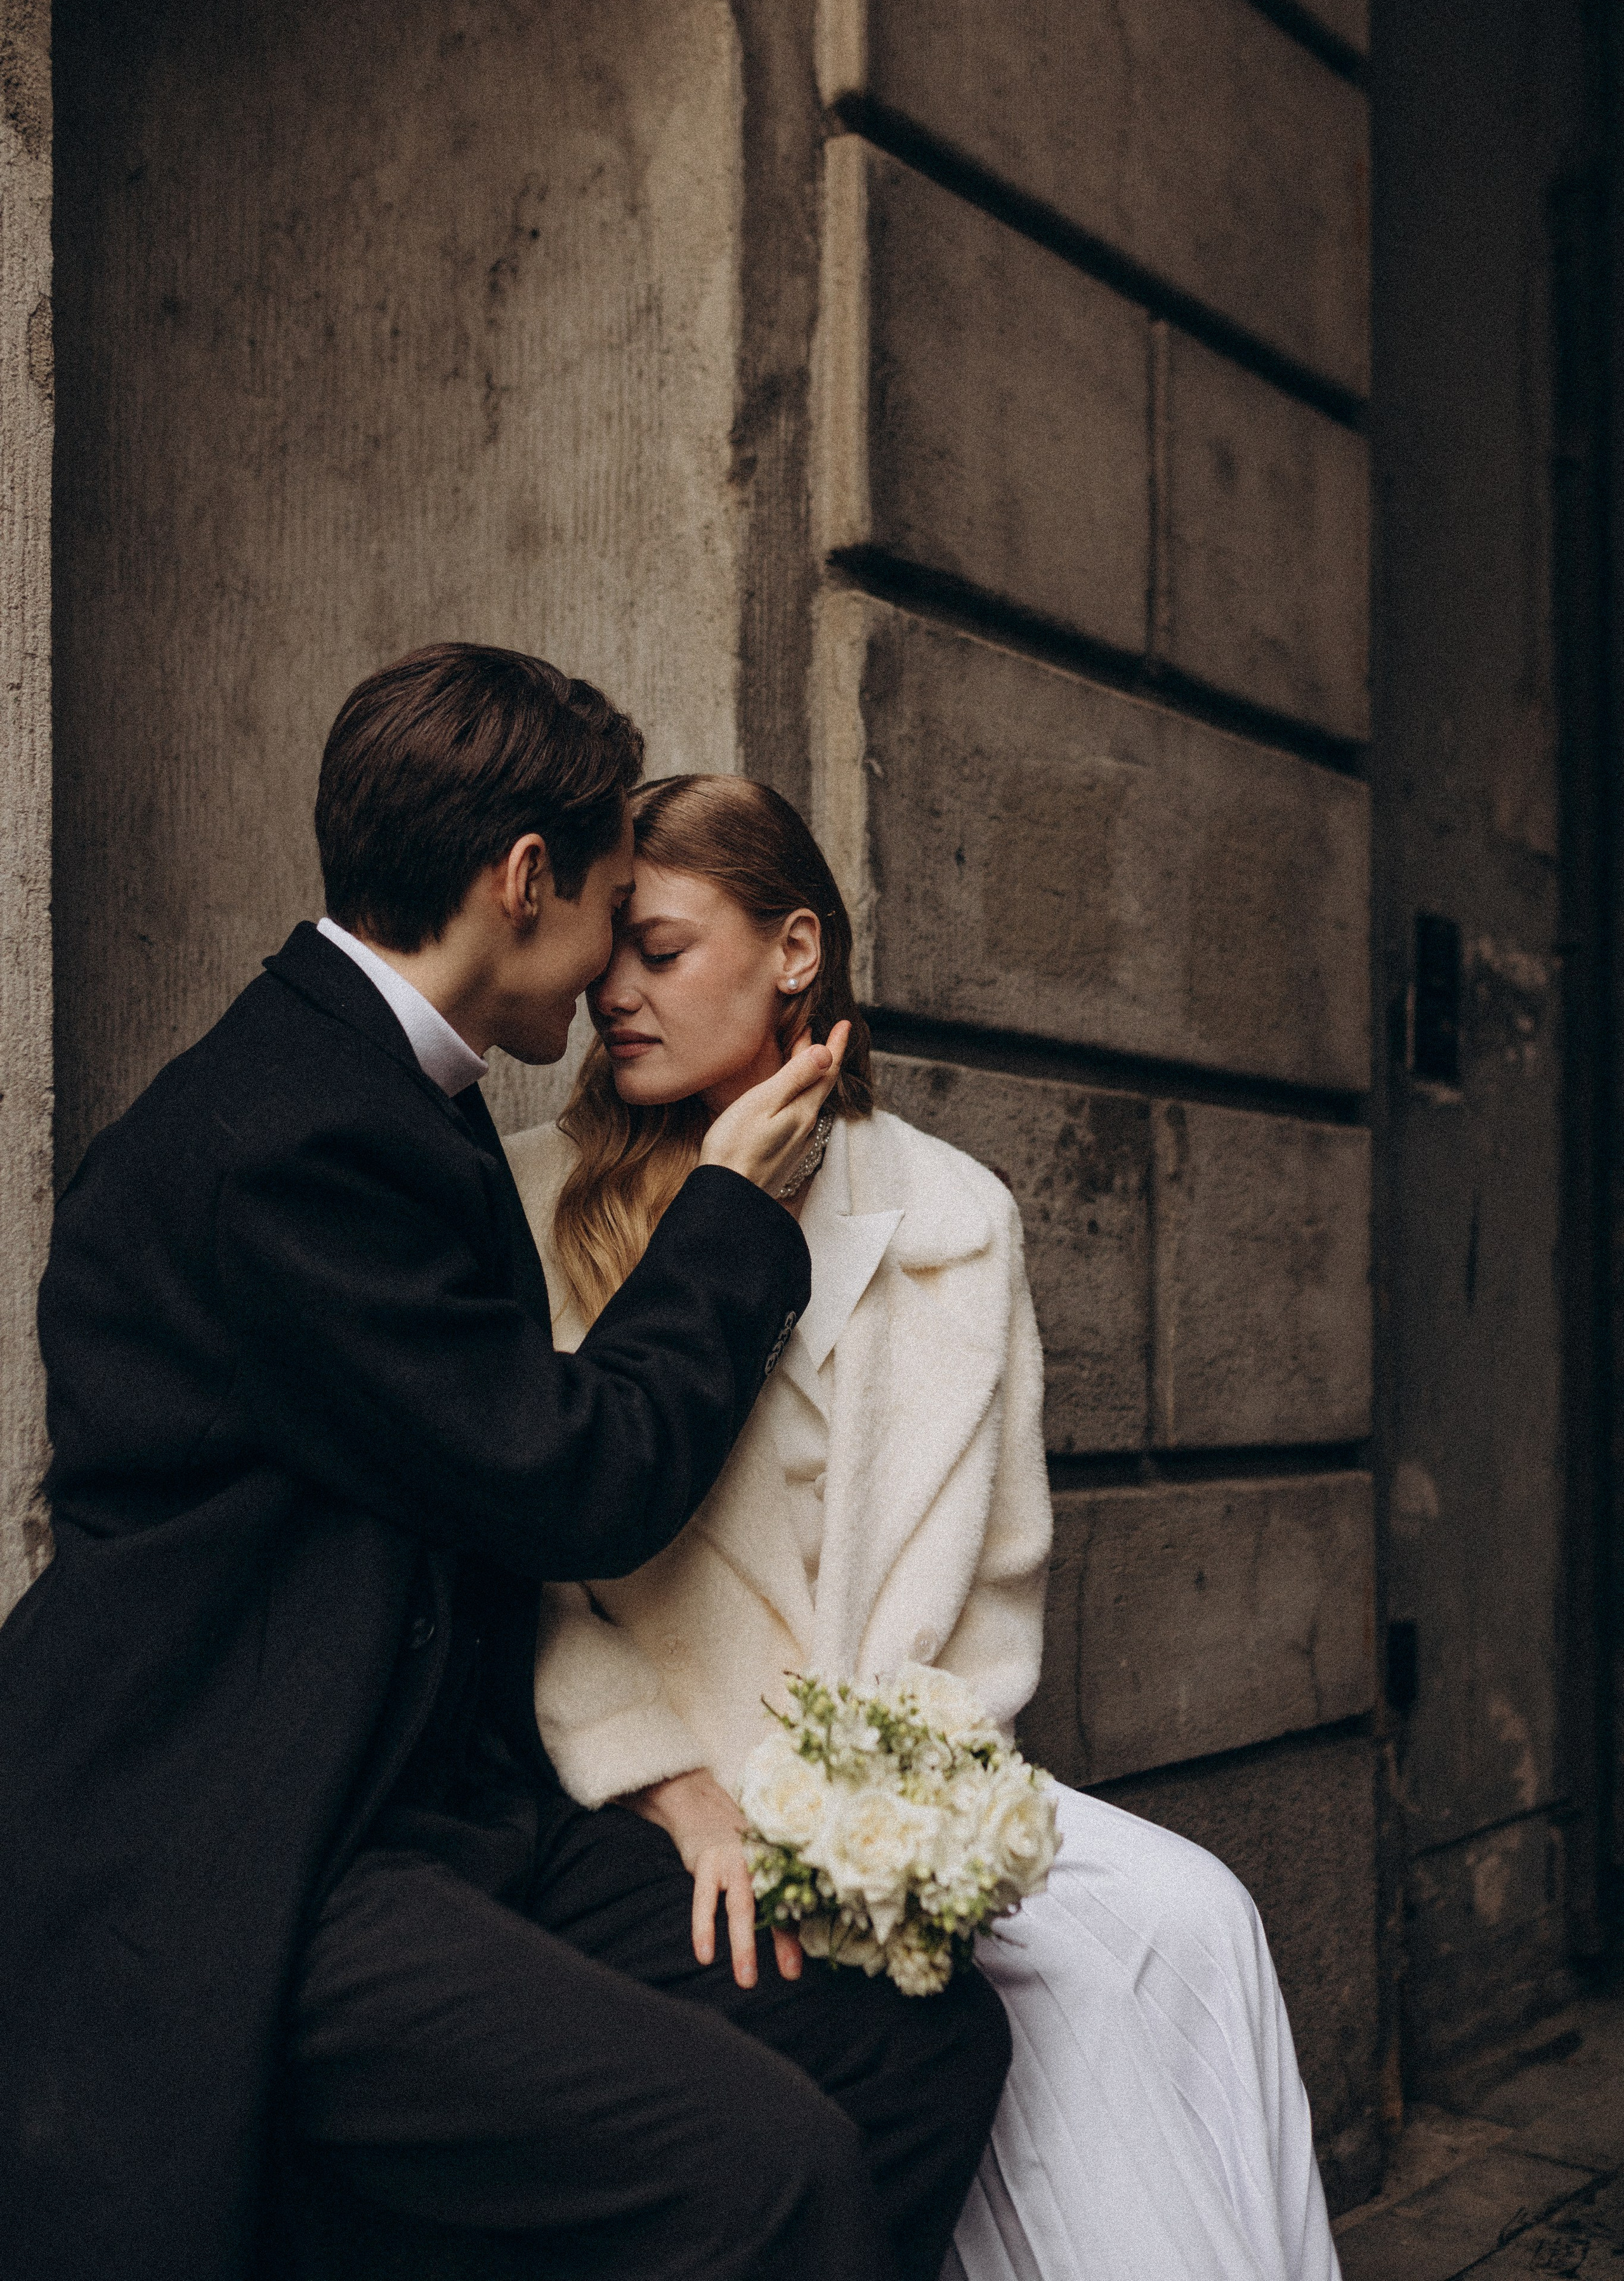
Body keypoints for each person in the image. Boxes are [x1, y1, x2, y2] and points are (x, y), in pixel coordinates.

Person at [0, 649, 1011, 2281]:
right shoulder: (289, 1137)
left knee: (914, 2046)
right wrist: (731, 1219)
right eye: (617, 902)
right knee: (770, 2169)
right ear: (525, 882)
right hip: (253, 1855)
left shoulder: (387, 1092)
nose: (618, 961)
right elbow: (567, 1480)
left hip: (448, 1814)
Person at [507, 771, 1345, 2281]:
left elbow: (997, 1577)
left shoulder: (957, 1212)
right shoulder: (535, 1202)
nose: (610, 994)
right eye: (607, 951)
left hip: (894, 1787)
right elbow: (532, 1589)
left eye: (663, 951)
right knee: (1010, 2015)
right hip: (658, 1788)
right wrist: (678, 1793)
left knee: (1190, 1920)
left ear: (794, 952)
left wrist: (895, 1812)